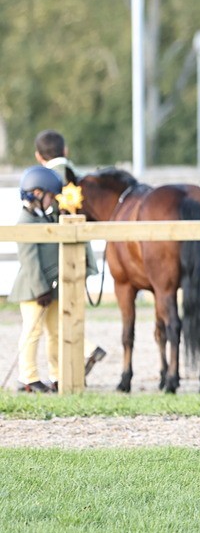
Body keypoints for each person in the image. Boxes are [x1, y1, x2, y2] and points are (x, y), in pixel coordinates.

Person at [33, 129, 106, 373]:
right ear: (66, 151)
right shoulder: (82, 178)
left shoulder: (42, 180)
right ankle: (68, 367)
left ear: (38, 156)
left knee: (57, 319)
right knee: (67, 313)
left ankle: (76, 360)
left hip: (55, 259)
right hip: (82, 251)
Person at [10, 167, 65, 392]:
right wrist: (40, 288)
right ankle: (28, 377)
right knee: (33, 331)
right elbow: (29, 260)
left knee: (55, 331)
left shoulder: (46, 216)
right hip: (34, 288)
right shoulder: (25, 221)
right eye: (51, 196)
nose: (52, 201)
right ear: (37, 193)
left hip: (50, 288)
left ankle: (58, 374)